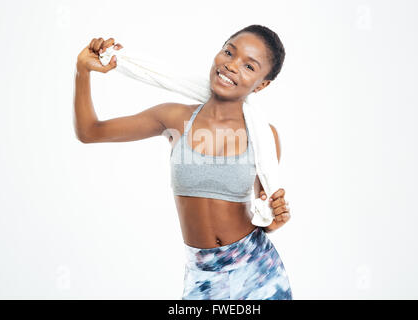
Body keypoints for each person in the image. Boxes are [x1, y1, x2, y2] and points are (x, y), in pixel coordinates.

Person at [74, 24, 293, 300]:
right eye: (228, 52)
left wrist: (275, 221)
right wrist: (83, 71)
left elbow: (264, 215)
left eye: (250, 67)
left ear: (262, 84)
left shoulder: (264, 136)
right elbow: (90, 132)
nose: (231, 66)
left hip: (259, 271)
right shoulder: (174, 117)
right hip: (203, 276)